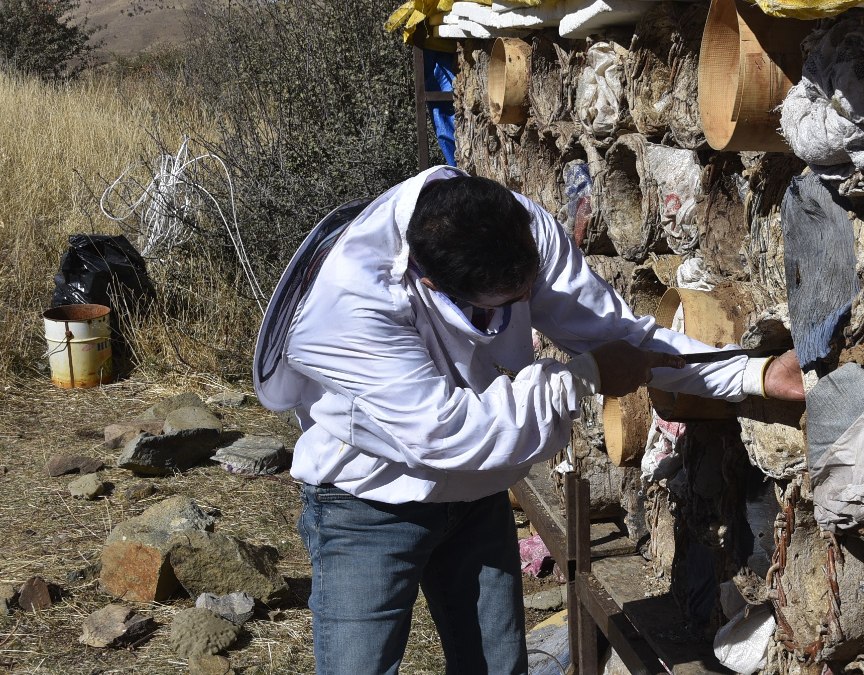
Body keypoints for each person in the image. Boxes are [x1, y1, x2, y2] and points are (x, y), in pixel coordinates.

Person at [252, 165, 807, 674]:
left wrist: (751, 375)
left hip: (475, 500)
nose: (526, 303)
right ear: (432, 285)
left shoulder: (512, 225)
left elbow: (616, 335)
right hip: (369, 502)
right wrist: (583, 377)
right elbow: (449, 435)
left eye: (528, 291)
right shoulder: (347, 306)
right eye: (509, 300)